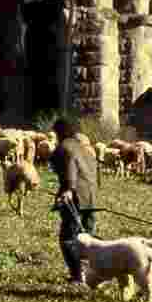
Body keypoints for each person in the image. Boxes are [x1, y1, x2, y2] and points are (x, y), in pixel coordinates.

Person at [49, 117, 98, 285]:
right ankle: (92, 274)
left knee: (68, 238)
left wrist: (68, 189)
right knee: (88, 238)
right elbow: (93, 172)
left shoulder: (64, 148)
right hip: (91, 197)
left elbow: (68, 168)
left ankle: (78, 276)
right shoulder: (84, 148)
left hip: (74, 197)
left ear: (60, 132)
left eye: (56, 133)